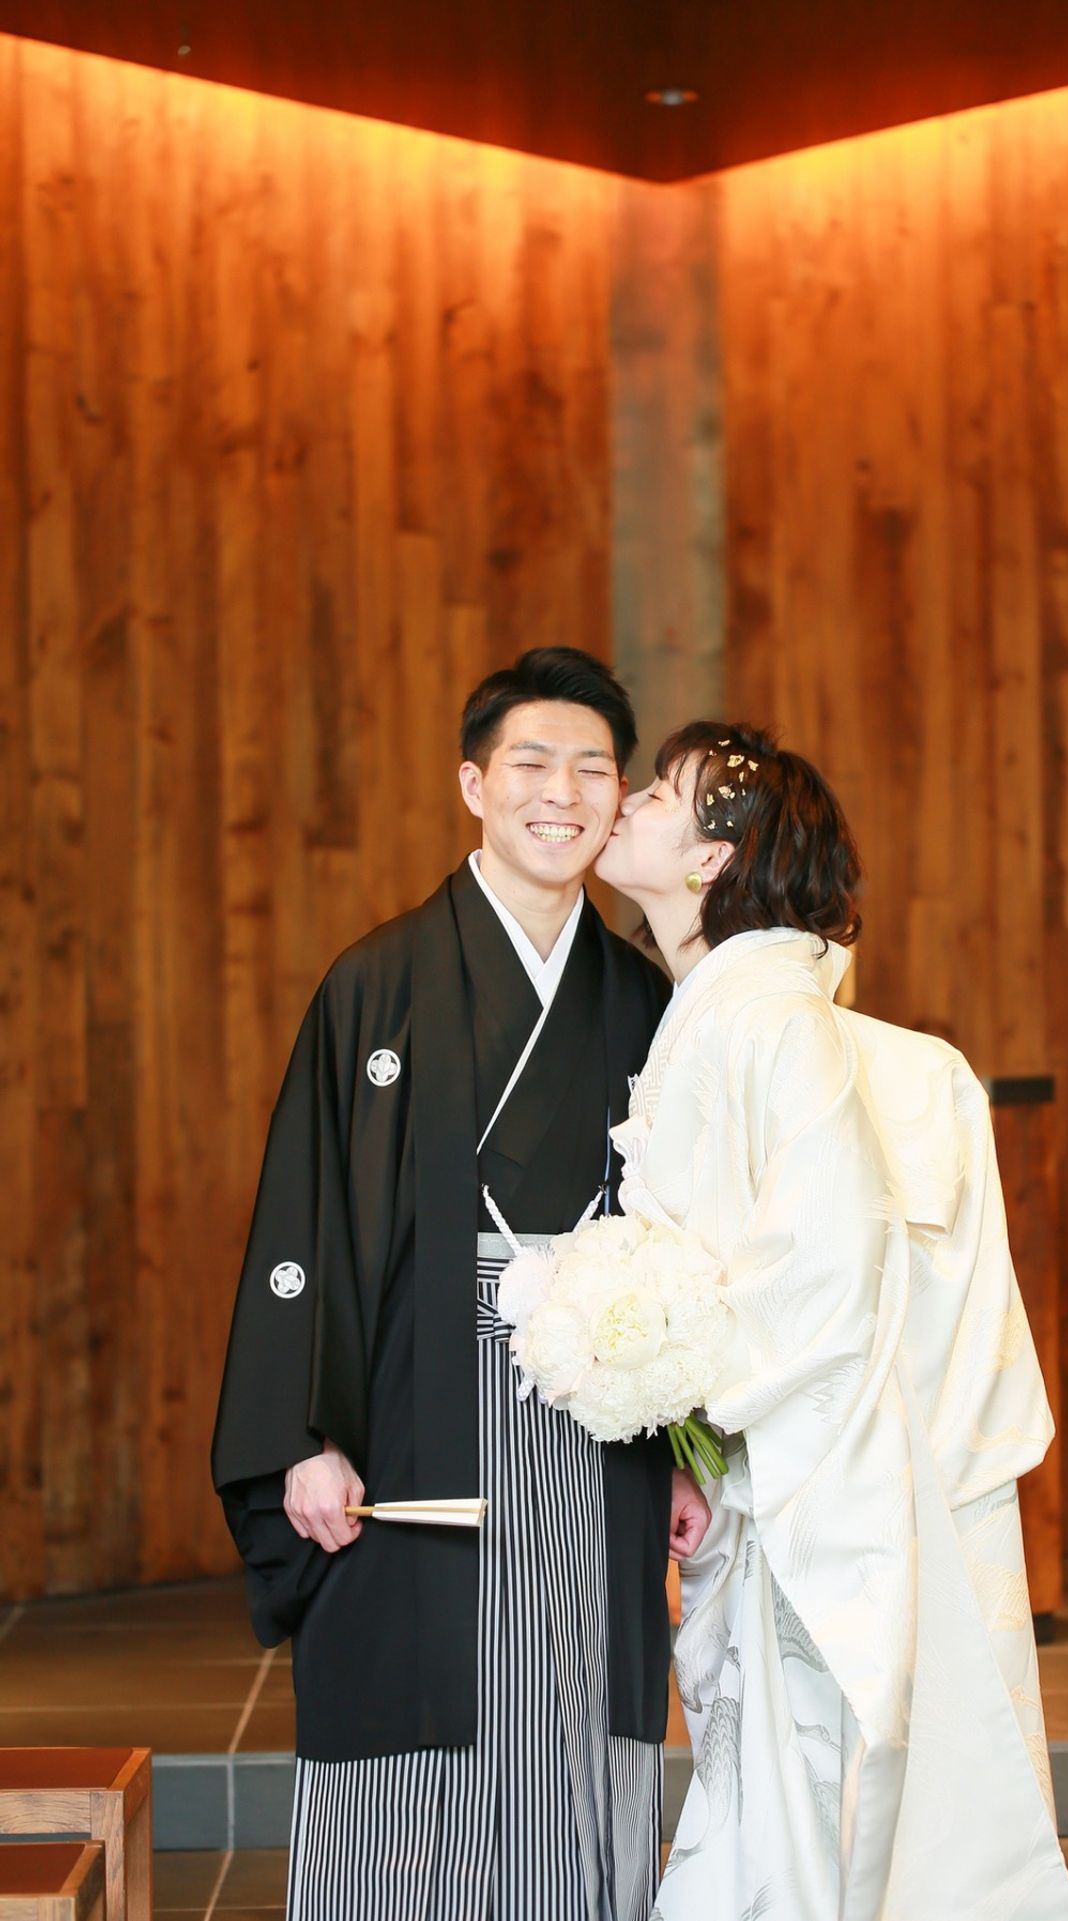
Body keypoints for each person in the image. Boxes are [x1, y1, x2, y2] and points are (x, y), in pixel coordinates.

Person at [211, 648, 712, 1921]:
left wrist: (684, 1447)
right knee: (407, 1704)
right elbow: (301, 1223)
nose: (563, 793)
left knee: (570, 1702)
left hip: (595, 1404)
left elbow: (687, 1237)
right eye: (531, 764)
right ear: (473, 785)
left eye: (592, 769)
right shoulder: (375, 982)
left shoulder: (640, 1000)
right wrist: (300, 1437)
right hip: (407, 1405)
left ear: (617, 797)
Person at [595, 722, 1068, 1921]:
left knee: (801, 1798)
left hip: (800, 1460)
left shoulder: (768, 1016)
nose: (628, 801)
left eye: (658, 791)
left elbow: (821, 1262)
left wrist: (686, 1386)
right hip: (754, 1449)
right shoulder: (720, 1008)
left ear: (709, 858)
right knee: (776, 1789)